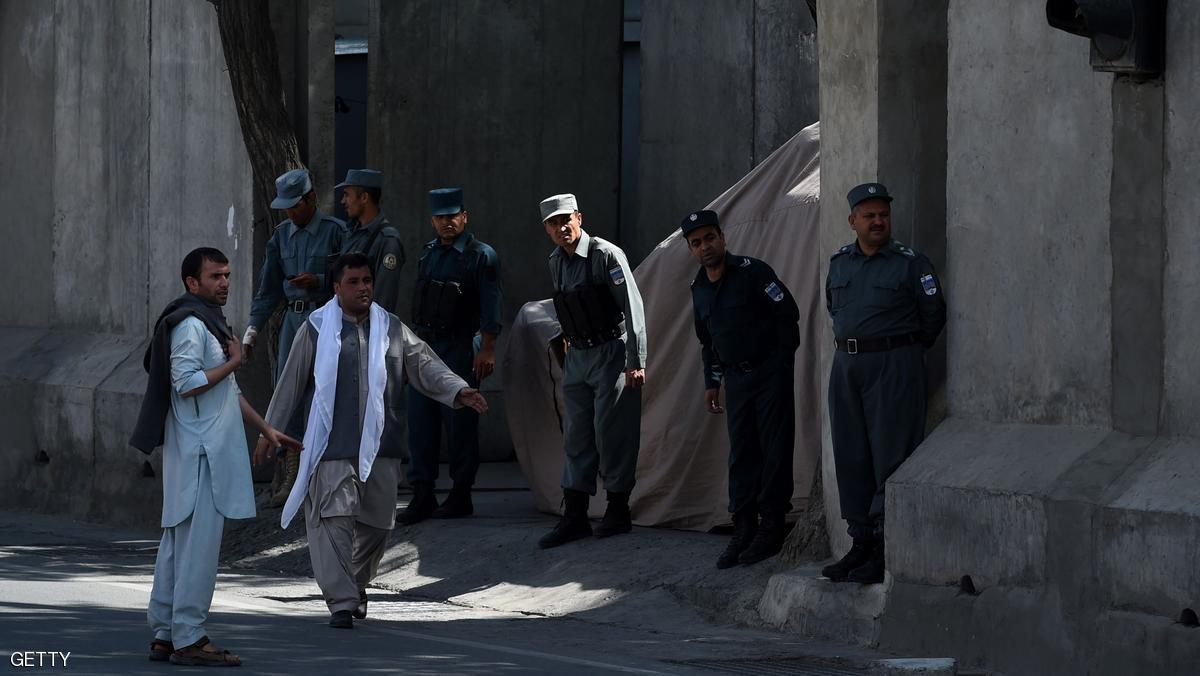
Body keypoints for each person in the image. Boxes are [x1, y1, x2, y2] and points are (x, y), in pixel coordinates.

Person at [256, 252, 488, 628]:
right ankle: (343, 602)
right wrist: (270, 430)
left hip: (383, 446)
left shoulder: (391, 327)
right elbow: (291, 382)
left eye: (367, 281)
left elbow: (425, 364)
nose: (363, 288)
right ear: (336, 287)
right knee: (335, 519)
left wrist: (459, 390)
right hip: (331, 448)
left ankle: (355, 583)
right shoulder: (315, 328)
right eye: (354, 282)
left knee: (379, 526)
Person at [131, 247, 300, 665]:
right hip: (201, 455)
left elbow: (227, 392)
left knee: (179, 545)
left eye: (226, 275)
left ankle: (165, 632)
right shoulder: (192, 325)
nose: (224, 282)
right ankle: (189, 637)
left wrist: (266, 429)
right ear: (192, 282)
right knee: (198, 549)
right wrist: (237, 361)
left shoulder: (205, 321)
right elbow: (187, 382)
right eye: (214, 277)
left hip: (196, 453)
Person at [822, 183, 946, 584]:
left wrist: (902, 351)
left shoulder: (911, 263)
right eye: (869, 215)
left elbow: (933, 315)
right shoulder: (840, 263)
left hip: (894, 364)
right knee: (852, 453)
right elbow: (832, 307)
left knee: (890, 454)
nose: (878, 222)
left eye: (883, 215)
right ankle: (858, 543)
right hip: (847, 365)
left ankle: (882, 545)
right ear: (852, 221)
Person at [683, 210, 801, 569]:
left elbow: (788, 317)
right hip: (735, 380)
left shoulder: (753, 272)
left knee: (774, 449)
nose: (705, 247)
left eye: (709, 238)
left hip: (768, 375)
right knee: (742, 452)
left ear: (722, 236)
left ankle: (772, 526)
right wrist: (712, 381)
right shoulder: (699, 288)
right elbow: (708, 341)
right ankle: (744, 525)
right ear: (690, 249)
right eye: (696, 243)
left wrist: (779, 365)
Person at [537, 193, 647, 549]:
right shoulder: (556, 261)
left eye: (565, 219)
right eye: (553, 223)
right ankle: (575, 517)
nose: (560, 228)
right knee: (576, 437)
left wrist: (636, 361)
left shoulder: (605, 255)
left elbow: (633, 309)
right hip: (578, 357)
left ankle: (618, 510)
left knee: (612, 433)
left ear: (579, 218)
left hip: (611, 353)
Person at [398, 188, 503, 524]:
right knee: (420, 421)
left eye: (452, 215)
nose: (447, 222)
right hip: (425, 347)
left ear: (464, 216)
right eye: (440, 217)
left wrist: (487, 348)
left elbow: (492, 305)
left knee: (460, 422)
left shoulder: (481, 255)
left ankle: (461, 492)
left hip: (460, 346)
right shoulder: (427, 254)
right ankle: (423, 492)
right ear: (432, 220)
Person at [244, 168, 344, 507]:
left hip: (327, 319)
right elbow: (268, 287)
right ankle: (291, 472)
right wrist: (253, 328)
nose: (290, 213)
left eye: (296, 206)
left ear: (312, 198)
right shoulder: (281, 235)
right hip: (293, 320)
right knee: (288, 391)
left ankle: (325, 471)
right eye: (285, 207)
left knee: (326, 391)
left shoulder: (334, 232)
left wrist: (318, 280)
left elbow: (351, 277)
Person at [334, 169, 406, 314]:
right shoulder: (352, 233)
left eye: (347, 195)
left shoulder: (387, 239)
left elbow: (384, 298)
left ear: (364, 198)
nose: (343, 201)